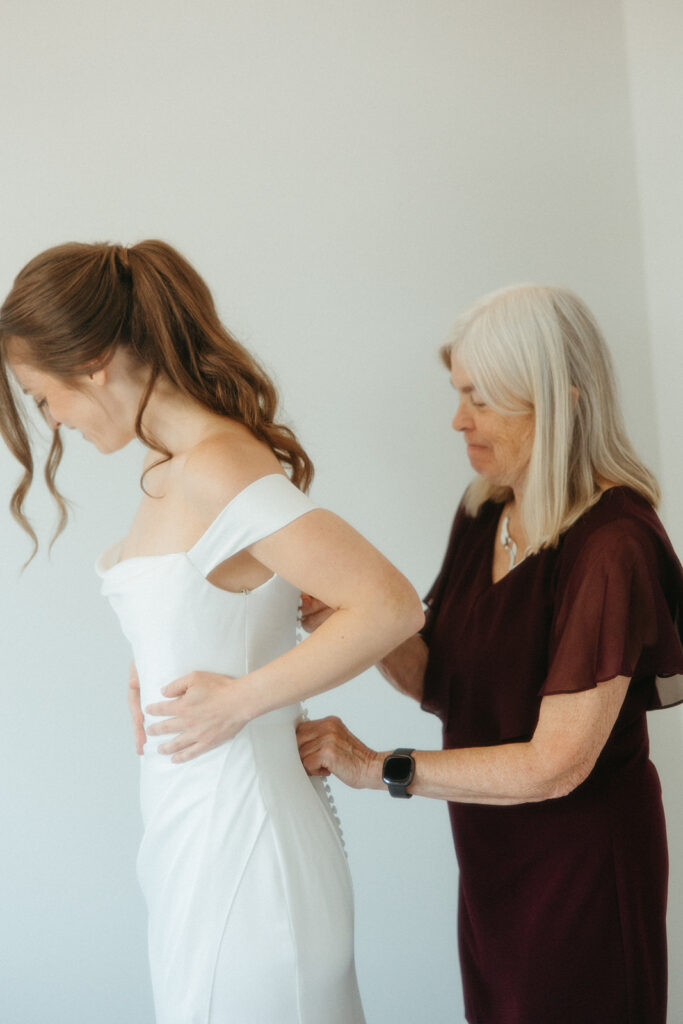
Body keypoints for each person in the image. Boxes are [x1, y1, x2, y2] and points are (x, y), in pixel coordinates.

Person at [0, 239, 424, 1024]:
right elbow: (204, 604)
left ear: (93, 363)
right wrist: (150, 658)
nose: (50, 419)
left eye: (41, 396)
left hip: (246, 845)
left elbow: (389, 604)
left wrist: (240, 700)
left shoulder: (213, 465)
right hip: (195, 834)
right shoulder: (170, 468)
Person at [296, 284, 683, 1024]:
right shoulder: (483, 513)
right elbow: (444, 679)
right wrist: (360, 617)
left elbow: (555, 763)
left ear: (558, 401)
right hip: (492, 859)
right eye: (457, 393)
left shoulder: (612, 546)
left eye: (479, 398)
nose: (456, 419)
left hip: (581, 871)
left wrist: (376, 769)